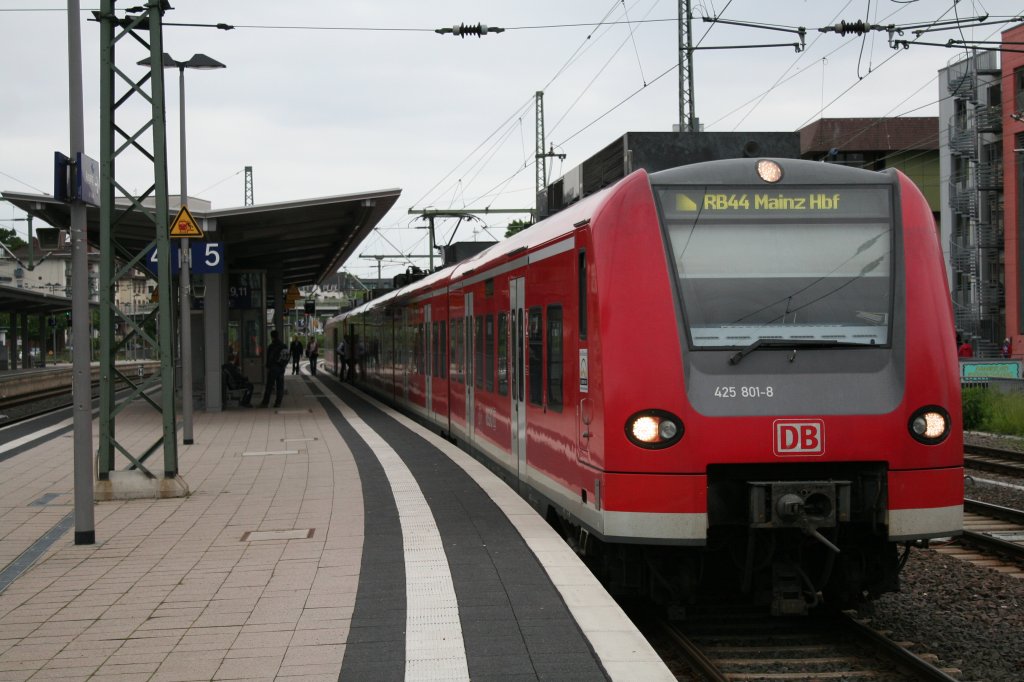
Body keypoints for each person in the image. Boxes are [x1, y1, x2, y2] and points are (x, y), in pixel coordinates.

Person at [260, 329, 287, 407]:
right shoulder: (284, 346)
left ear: (272, 337)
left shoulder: (272, 346)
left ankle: (265, 403)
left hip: (273, 368)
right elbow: (287, 357)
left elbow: (269, 358)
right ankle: (278, 403)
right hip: (281, 368)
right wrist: (283, 365)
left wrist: (268, 367)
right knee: (280, 386)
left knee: (269, 386)